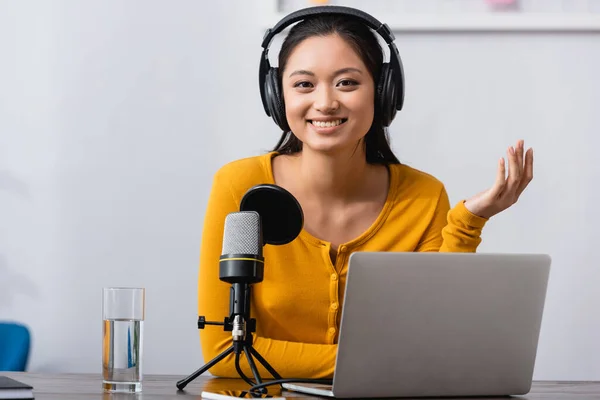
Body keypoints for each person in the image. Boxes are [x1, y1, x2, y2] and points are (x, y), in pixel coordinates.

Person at [197, 6, 533, 380]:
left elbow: (434, 329)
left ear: (383, 93)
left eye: (347, 83)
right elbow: (224, 349)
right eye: (304, 84)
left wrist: (471, 219)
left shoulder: (423, 195)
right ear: (278, 97)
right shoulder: (239, 186)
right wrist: (366, 365)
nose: (325, 102)